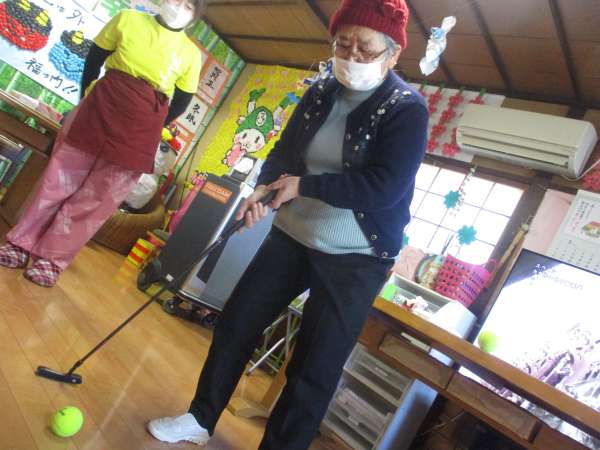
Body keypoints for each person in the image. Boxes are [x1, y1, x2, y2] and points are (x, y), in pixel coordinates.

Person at [148, 0, 428, 448]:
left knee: (315, 365)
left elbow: (385, 187)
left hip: (357, 255)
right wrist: (266, 187)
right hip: (294, 234)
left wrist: (304, 186)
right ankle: (200, 418)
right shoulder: (321, 91)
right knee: (237, 323)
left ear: (393, 54)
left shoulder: (406, 109)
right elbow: (284, 152)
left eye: (366, 48)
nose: (352, 56)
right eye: (343, 44)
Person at [0, 0, 204, 287]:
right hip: (101, 106)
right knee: (57, 181)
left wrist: (154, 123)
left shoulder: (191, 53)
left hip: (141, 130)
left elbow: (182, 101)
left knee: (97, 199)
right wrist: (87, 95)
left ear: (195, 16)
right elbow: (94, 59)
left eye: (189, 5)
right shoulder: (127, 19)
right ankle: (20, 244)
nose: (179, 7)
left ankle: (52, 261)